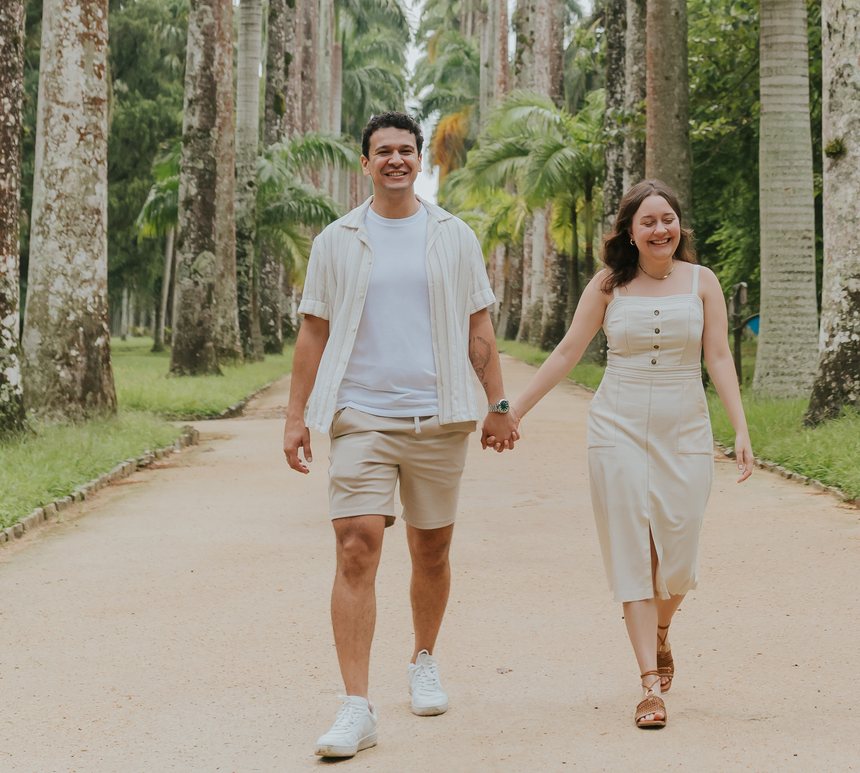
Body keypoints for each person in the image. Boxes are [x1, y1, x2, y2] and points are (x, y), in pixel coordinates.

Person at [283, 110, 519, 760]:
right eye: (383, 150)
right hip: (361, 414)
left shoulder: (453, 237)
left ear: (419, 160)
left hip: (438, 417)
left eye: (406, 150)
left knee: (431, 551)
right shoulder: (337, 240)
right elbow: (313, 330)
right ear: (365, 163)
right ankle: (356, 707)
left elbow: (478, 326)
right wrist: (296, 415)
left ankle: (423, 659)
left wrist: (498, 403)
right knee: (356, 546)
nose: (395, 159)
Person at [509, 178, 753, 729]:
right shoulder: (608, 285)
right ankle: (649, 686)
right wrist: (516, 409)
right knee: (633, 554)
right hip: (616, 429)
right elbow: (567, 351)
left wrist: (740, 427)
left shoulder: (703, 281)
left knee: (679, 559)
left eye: (668, 219)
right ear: (629, 231)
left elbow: (718, 356)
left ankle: (662, 631)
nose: (660, 229)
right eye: (648, 221)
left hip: (685, 428)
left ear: (679, 226)